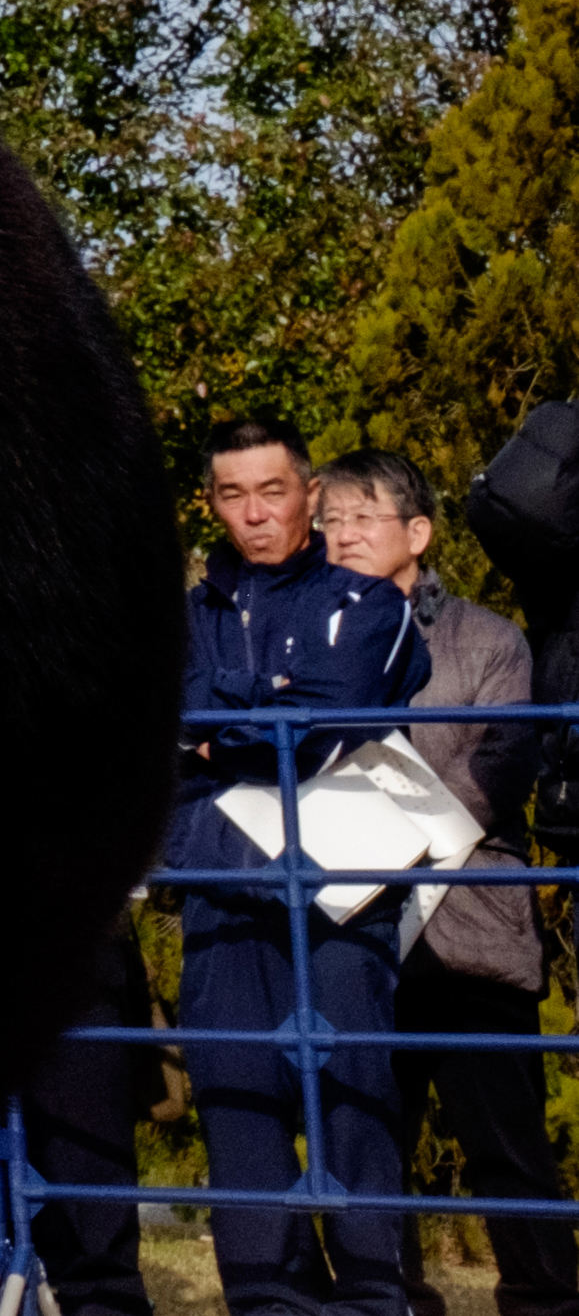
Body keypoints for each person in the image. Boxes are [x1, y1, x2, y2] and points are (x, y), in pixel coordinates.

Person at [172, 413, 426, 1316]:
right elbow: (179, 726)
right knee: (235, 1112)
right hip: (217, 896)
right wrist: (259, 716)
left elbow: (331, 720)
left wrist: (224, 733)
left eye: (272, 491)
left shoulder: (371, 607)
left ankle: (368, 1302)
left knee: (353, 1107)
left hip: (338, 899)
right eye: (232, 495)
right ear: (211, 503)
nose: (254, 514)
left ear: (309, 496)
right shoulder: (186, 614)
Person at [314, 451, 577, 1316]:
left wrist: (378, 825)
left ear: (417, 533)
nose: (340, 535)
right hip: (349, 932)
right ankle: (387, 1303)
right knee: (365, 1147)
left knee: (509, 1150)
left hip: (469, 929)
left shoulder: (487, 638)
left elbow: (504, 766)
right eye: (330, 522)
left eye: (362, 518)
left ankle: (543, 1302)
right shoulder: (307, 636)